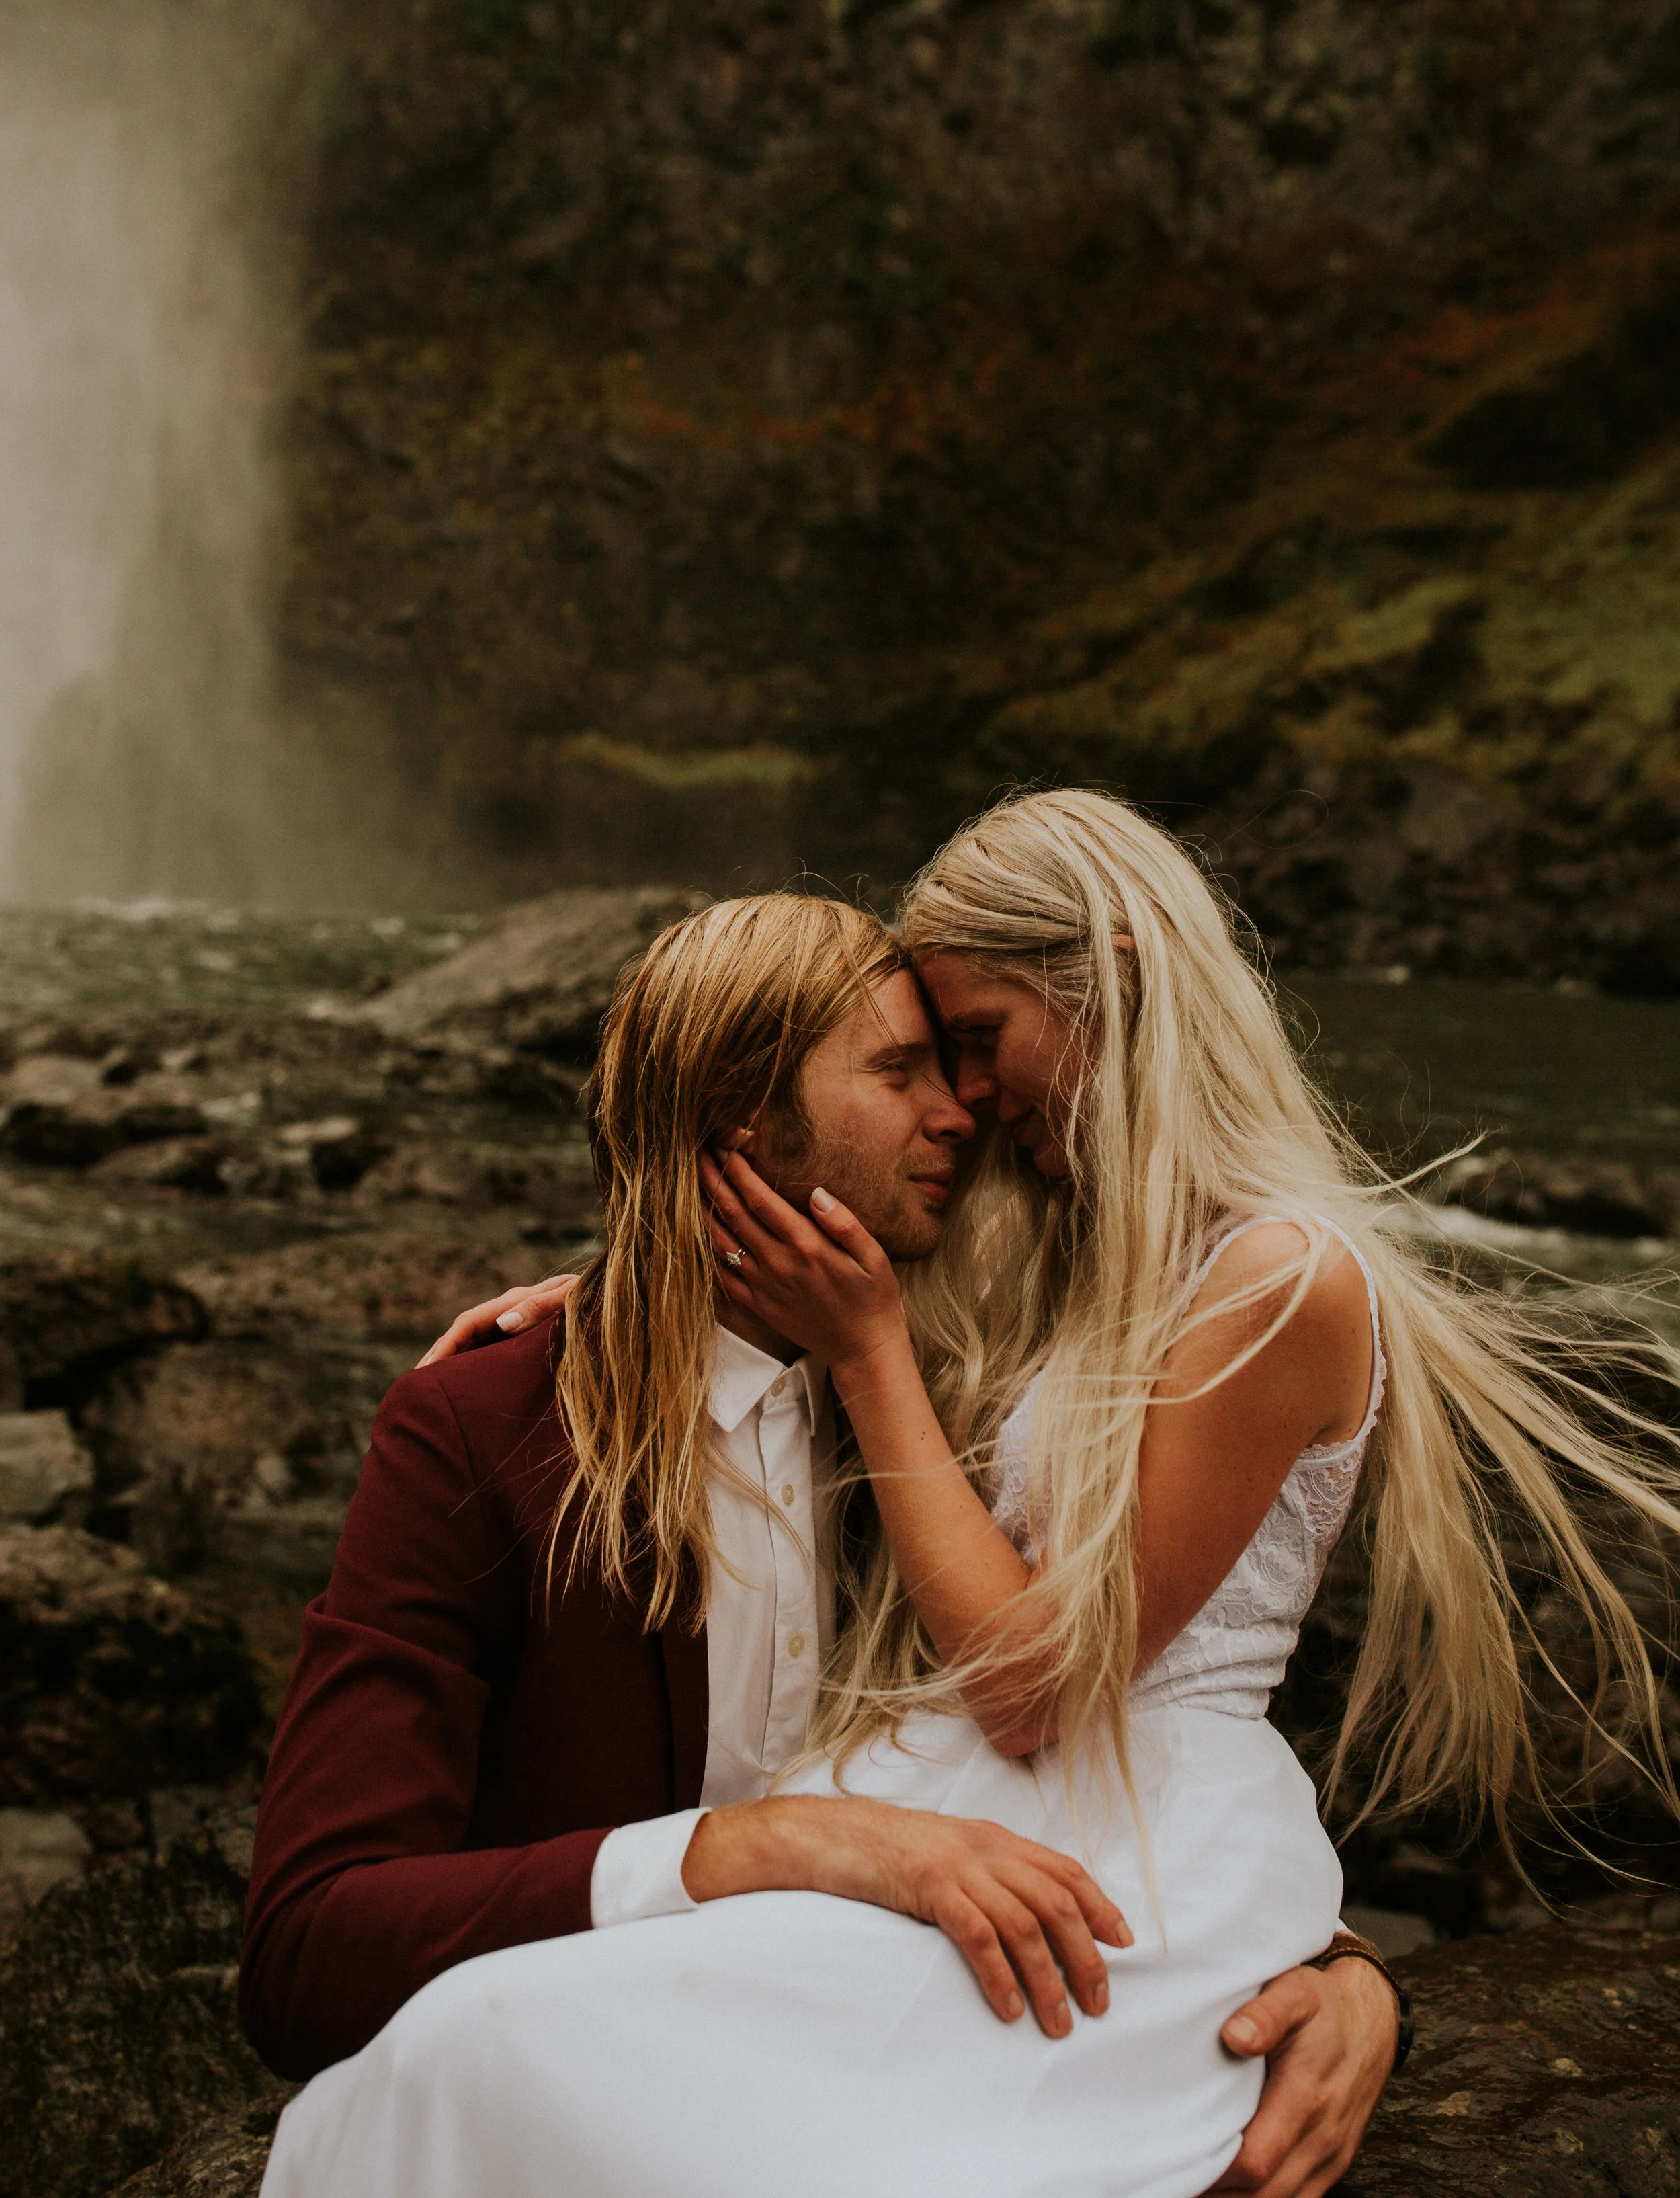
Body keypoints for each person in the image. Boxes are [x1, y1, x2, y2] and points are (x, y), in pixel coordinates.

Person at [251, 807, 1565, 2198]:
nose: (963, 1108)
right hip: (727, 1966)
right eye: (910, 1067)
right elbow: (303, 1953)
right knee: (466, 2057)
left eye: (971, 1049)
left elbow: (1123, 1727)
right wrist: (638, 1293)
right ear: (740, 1129)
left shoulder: (920, 1398)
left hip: (976, 1921)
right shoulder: (487, 1433)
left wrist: (1346, 1973)